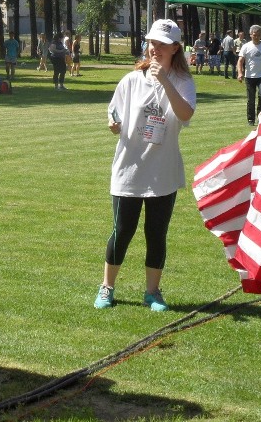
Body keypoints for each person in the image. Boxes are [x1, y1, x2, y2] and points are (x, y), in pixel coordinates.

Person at [94, 19, 196, 312]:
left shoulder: (183, 82)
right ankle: (107, 287)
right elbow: (113, 109)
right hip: (130, 169)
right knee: (122, 230)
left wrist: (164, 80)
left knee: (156, 232)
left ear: (175, 48)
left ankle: (152, 292)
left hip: (163, 172)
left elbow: (186, 114)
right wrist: (112, 122)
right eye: (152, 42)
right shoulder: (131, 80)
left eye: (163, 44)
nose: (155, 48)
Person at [237, 25, 261, 125]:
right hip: (249, 76)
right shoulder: (246, 46)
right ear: (250, 35)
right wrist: (240, 73)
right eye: (254, 35)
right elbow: (240, 61)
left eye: (258, 35)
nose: (256, 37)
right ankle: (251, 119)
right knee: (251, 99)